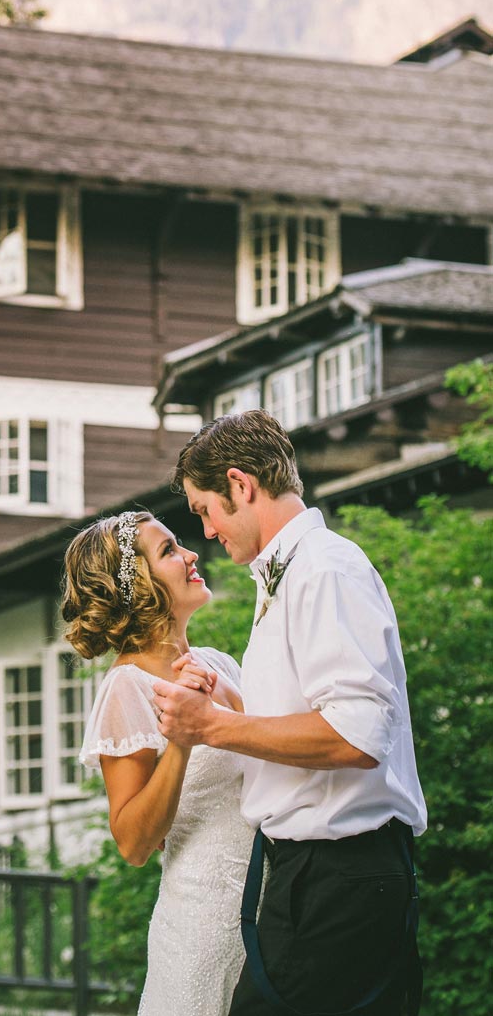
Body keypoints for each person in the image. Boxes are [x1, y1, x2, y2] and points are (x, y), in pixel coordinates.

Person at [153, 411, 425, 1016]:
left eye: (205, 509)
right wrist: (228, 703)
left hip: (341, 877)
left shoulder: (325, 570)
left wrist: (212, 727)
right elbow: (310, 720)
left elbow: (357, 736)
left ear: (241, 485)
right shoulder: (290, 574)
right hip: (312, 876)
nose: (208, 530)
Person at [63, 509, 253, 1016]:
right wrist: (182, 742)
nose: (192, 555)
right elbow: (132, 841)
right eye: (169, 550)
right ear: (139, 586)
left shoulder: (220, 663)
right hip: (204, 923)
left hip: (272, 911)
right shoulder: (128, 687)